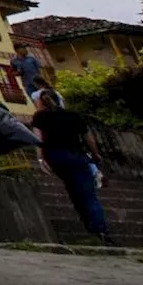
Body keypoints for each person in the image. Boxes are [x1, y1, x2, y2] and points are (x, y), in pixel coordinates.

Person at [32, 91, 113, 246]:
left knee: (73, 188)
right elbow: (88, 138)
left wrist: (41, 158)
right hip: (76, 155)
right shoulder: (73, 115)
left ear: (41, 103)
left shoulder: (40, 117)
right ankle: (100, 230)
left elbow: (38, 138)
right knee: (88, 194)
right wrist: (95, 154)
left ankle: (90, 225)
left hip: (55, 157)